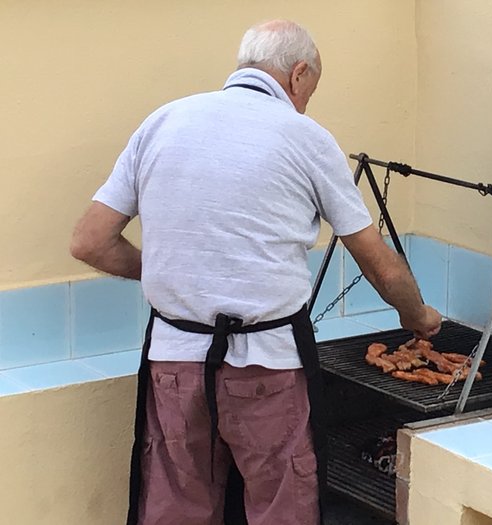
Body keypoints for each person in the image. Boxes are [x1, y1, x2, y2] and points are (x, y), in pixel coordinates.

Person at [70, 19, 442, 525]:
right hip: (267, 366)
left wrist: (173, 270)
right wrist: (418, 316)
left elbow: (90, 242)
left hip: (175, 362)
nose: (307, 99)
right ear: (299, 73)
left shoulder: (163, 121)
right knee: (281, 507)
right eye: (310, 87)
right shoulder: (305, 136)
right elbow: (376, 260)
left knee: (175, 507)